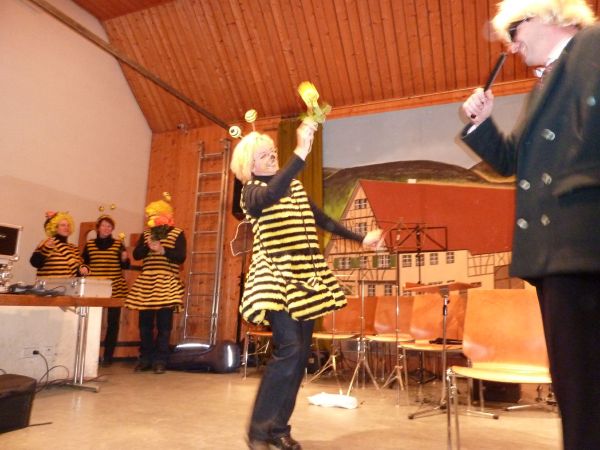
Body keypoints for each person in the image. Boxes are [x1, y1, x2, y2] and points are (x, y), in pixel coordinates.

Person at [460, 1, 599, 448]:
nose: (512, 45)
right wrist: (481, 124)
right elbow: (510, 161)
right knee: (577, 390)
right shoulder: (545, 86)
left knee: (585, 391)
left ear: (548, 14)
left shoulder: (592, 46)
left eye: (515, 30)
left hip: (581, 242)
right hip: (560, 251)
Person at [230, 119, 382, 450]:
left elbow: (321, 219)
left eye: (273, 151)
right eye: (264, 154)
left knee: (299, 359)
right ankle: (258, 430)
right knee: (289, 349)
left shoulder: (295, 188)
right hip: (276, 279)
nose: (272, 156)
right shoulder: (251, 193)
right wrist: (300, 151)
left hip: (307, 279)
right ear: (250, 165)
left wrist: (361, 239)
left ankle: (278, 429)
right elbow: (271, 193)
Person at [124, 194, 186, 375]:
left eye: (156, 215)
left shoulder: (178, 233)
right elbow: (136, 255)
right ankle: (145, 359)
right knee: (145, 324)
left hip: (166, 282)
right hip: (147, 282)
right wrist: (147, 246)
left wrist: (162, 249)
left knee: (164, 325)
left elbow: (180, 256)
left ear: (166, 215)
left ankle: (160, 360)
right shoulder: (146, 234)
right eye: (151, 216)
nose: (153, 219)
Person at [81, 214, 130, 366]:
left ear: (112, 229)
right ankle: (90, 354)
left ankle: (108, 356)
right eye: (103, 225)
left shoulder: (118, 244)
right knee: (91, 321)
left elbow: (126, 266)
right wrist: (83, 268)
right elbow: (84, 263)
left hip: (115, 286)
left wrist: (124, 258)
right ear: (98, 228)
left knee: (113, 323)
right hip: (95, 286)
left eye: (109, 226)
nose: (106, 228)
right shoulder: (89, 244)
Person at [30, 211, 88, 277]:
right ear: (55, 227)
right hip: (49, 283)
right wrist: (46, 249)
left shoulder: (73, 248)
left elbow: (77, 271)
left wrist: (83, 269)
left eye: (68, 225)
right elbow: (35, 263)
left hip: (68, 283)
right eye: (63, 225)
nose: (66, 227)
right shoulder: (47, 243)